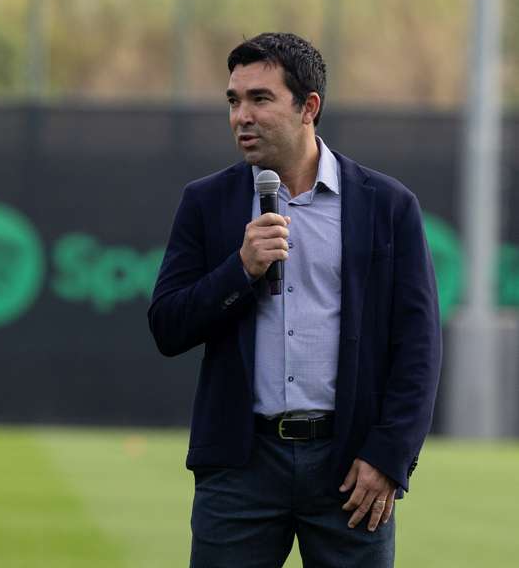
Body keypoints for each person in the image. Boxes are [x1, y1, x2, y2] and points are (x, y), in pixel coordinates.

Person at [148, 32, 441, 567]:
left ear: (309, 107)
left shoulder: (388, 205)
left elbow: (418, 347)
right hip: (239, 466)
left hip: (351, 468)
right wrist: (241, 269)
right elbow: (168, 326)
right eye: (234, 100)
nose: (242, 116)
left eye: (260, 99)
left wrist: (389, 456)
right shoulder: (206, 202)